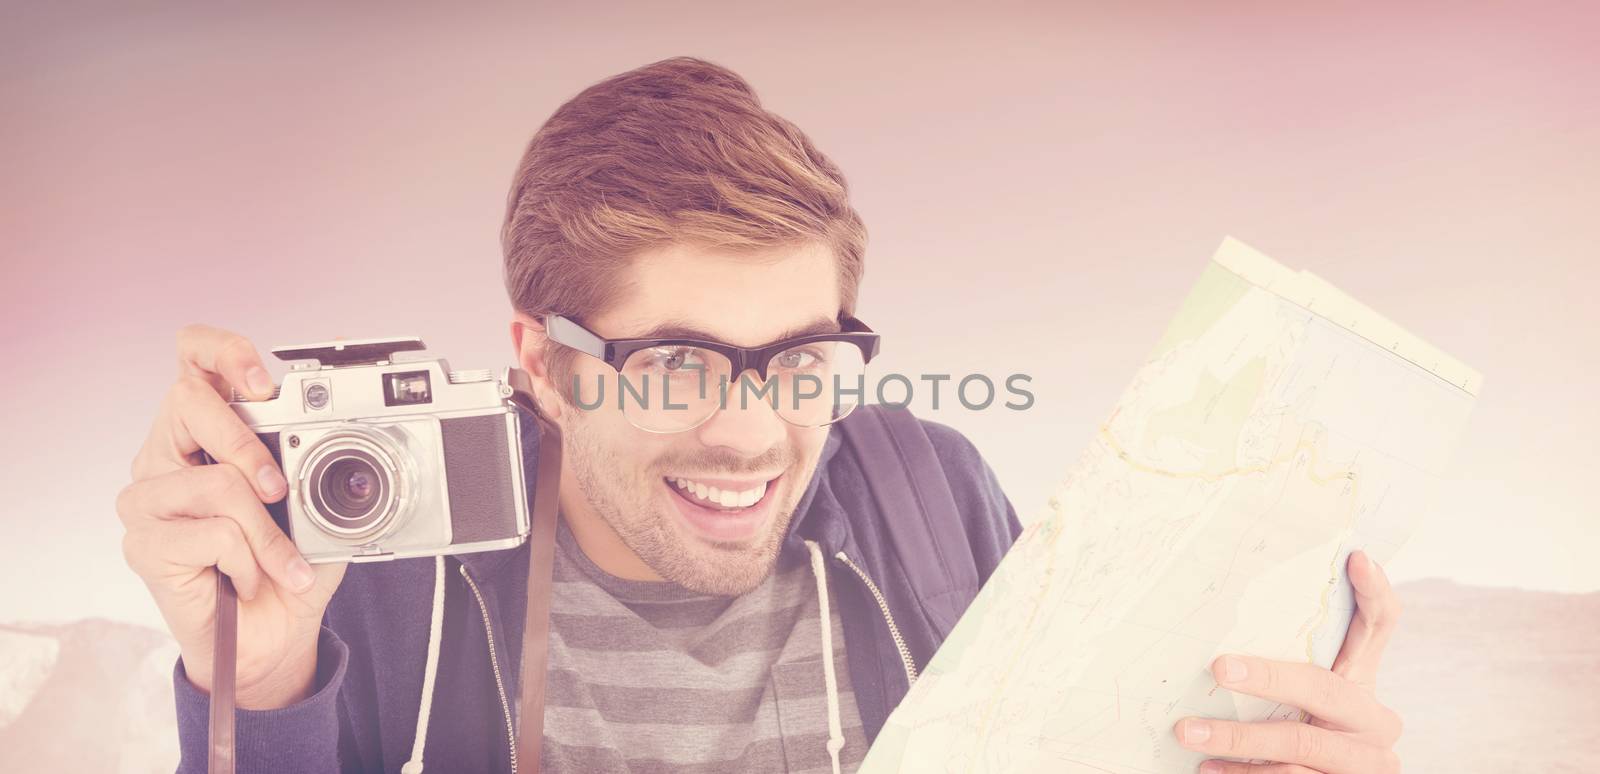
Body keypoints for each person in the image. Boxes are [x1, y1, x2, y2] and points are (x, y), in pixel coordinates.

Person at [117, 56, 1407, 774]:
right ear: (546, 362)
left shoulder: (932, 493)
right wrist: (261, 677)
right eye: (678, 360)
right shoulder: (379, 571)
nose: (753, 433)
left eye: (802, 357)